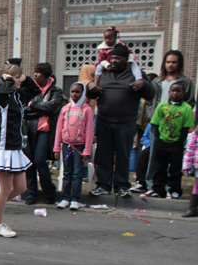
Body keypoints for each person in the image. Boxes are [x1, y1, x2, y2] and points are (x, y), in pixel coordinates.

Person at [0, 64, 41, 238]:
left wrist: (24, 78)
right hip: (2, 148)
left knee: (20, 187)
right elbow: (2, 92)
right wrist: (8, 79)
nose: (20, 79)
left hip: (14, 148)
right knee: (5, 189)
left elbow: (35, 90)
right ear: (8, 79)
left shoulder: (17, 95)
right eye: (17, 77)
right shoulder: (2, 96)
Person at [88, 44, 154, 197]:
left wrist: (143, 84)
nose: (114, 61)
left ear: (126, 59)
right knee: (104, 155)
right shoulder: (104, 73)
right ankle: (103, 185)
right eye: (113, 58)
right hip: (104, 121)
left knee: (123, 155)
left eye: (118, 58)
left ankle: (122, 186)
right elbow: (91, 93)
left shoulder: (135, 74)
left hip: (126, 122)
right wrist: (91, 86)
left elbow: (150, 94)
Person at [143, 81, 194, 198]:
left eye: (178, 91)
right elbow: (155, 124)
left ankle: (174, 190)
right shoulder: (162, 106)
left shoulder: (186, 108)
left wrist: (180, 141)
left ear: (183, 93)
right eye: (173, 90)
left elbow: (186, 128)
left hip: (176, 144)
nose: (175, 93)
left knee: (175, 169)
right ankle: (158, 189)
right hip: (161, 142)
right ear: (169, 92)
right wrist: (157, 139)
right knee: (159, 167)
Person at [24, 63, 63, 205]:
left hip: (45, 131)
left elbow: (53, 108)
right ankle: (31, 194)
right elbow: (24, 109)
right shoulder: (29, 90)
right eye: (34, 72)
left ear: (46, 74)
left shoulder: (56, 91)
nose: (35, 75)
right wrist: (42, 109)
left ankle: (49, 191)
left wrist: (33, 105)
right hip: (30, 130)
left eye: (38, 72)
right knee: (29, 162)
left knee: (40, 160)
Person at [53, 82, 93, 210]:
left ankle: (75, 199)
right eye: (72, 92)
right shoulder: (65, 109)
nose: (74, 94)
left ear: (83, 93)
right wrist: (57, 148)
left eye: (78, 92)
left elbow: (89, 131)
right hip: (66, 145)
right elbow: (59, 128)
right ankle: (65, 198)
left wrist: (87, 150)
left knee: (77, 173)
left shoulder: (87, 109)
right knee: (67, 172)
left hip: (80, 147)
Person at [181, 128, 198, 217]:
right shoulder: (195, 134)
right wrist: (186, 166)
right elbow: (190, 150)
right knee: (197, 186)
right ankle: (192, 209)